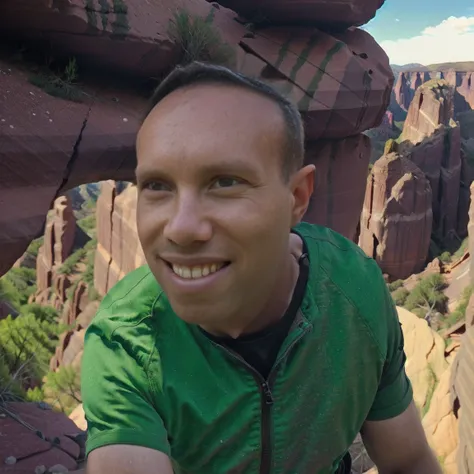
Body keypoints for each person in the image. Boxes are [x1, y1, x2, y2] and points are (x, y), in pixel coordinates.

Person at [81, 62, 442, 474]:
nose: (181, 228)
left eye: (225, 182)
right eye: (157, 186)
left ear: (297, 198)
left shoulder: (354, 291)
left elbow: (409, 461)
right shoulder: (125, 342)